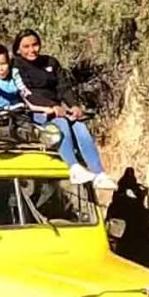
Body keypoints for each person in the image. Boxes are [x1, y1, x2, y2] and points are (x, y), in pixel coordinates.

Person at [11, 29, 116, 189]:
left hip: (58, 108)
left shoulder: (51, 62)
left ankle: (99, 173)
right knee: (61, 123)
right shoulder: (16, 66)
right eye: (26, 47)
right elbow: (26, 93)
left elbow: (63, 87)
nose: (32, 50)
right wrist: (51, 107)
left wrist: (74, 105)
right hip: (35, 111)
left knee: (79, 125)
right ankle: (73, 167)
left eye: (35, 45)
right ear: (18, 49)